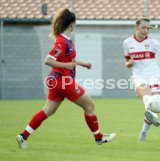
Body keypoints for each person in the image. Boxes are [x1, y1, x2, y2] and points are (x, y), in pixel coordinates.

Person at [16, 8, 116, 149]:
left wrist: (82, 64)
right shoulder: (61, 41)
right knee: (90, 106)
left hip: (56, 81)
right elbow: (48, 60)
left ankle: (23, 136)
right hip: (63, 81)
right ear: (72, 25)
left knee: (48, 110)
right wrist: (66, 65)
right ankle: (99, 138)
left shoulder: (67, 41)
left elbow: (69, 59)